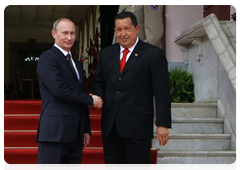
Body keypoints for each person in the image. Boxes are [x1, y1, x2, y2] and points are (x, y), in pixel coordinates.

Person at [91, 12, 171, 170]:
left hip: (138, 127)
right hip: (111, 126)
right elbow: (98, 81)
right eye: (119, 29)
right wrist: (96, 95)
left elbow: (162, 91)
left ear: (137, 29)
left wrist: (162, 123)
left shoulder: (153, 54)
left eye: (127, 29)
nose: (123, 33)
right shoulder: (107, 54)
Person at [35, 18, 102, 170]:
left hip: (75, 133)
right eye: (64, 33)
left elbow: (80, 92)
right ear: (54, 34)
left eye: (72, 33)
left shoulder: (77, 63)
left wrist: (85, 129)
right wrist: (90, 100)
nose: (69, 37)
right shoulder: (48, 57)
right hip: (54, 132)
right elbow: (59, 89)